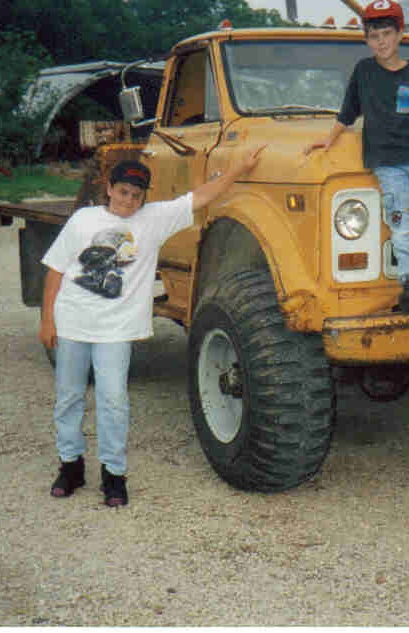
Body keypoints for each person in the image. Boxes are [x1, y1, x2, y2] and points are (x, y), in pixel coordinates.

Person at [40, 145, 266, 506]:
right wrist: (47, 320)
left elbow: (202, 196)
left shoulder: (153, 219)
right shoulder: (83, 221)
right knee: (69, 397)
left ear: (144, 198)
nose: (128, 200)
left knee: (113, 400)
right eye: (123, 191)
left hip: (115, 331)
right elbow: (55, 269)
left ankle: (114, 473)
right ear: (110, 189)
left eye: (136, 194)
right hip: (73, 324)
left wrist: (239, 168)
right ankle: (71, 465)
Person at [306, 0, 409, 313]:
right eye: (374, 36)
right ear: (367, 39)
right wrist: (328, 140)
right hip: (388, 165)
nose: (381, 42)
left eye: (387, 34)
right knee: (402, 222)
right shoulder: (363, 72)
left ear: (400, 34)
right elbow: (347, 113)